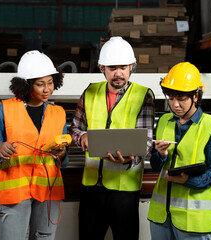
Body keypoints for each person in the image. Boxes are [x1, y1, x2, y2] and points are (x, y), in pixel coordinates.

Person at [70, 36, 155, 240]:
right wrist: (82, 138)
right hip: (91, 188)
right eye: (112, 68)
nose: (118, 73)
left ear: (132, 66)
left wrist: (130, 159)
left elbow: (147, 141)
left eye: (123, 67)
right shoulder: (90, 92)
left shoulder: (143, 95)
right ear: (102, 68)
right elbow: (75, 128)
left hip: (124, 190)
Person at [0, 50, 68, 240]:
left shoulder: (59, 113)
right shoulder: (4, 110)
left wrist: (62, 153)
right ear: (26, 85)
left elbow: (64, 154)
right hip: (16, 191)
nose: (47, 89)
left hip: (47, 189)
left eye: (50, 82)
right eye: (40, 84)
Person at [147, 62, 211, 240]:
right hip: (161, 216)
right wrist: (160, 155)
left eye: (181, 99)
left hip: (193, 221)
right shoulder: (164, 121)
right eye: (171, 98)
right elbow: (155, 166)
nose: (175, 105)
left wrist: (188, 180)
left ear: (196, 96)